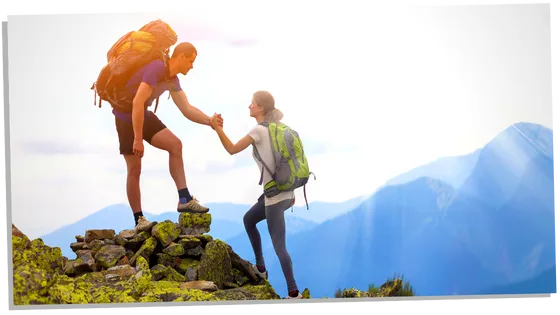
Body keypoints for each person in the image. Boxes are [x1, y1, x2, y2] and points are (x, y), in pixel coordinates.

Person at [111, 42, 223, 233]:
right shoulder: (156, 68)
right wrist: (138, 139)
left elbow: (186, 109)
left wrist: (210, 121)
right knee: (135, 169)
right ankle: (139, 219)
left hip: (143, 115)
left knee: (175, 145)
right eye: (191, 61)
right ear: (180, 57)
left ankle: (184, 199)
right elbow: (138, 101)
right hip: (126, 118)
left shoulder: (172, 79)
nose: (192, 66)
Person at [209, 90, 302, 299]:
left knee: (280, 247)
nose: (249, 106)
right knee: (249, 219)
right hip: (286, 193)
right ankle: (261, 268)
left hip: (275, 198)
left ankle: (294, 293)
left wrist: (218, 129)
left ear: (260, 108)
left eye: (252, 103)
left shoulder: (259, 131)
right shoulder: (280, 128)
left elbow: (232, 149)